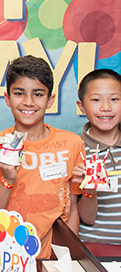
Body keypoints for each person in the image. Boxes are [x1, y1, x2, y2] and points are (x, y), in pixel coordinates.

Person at [0, 55, 84, 258]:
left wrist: (68, 258)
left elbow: (73, 207)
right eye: (19, 93)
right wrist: (7, 180)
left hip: (53, 258)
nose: (28, 102)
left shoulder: (72, 144)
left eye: (38, 94)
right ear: (7, 98)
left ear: (50, 100)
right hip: (6, 258)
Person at [75, 69, 121, 244]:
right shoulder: (76, 150)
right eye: (96, 100)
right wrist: (89, 191)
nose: (106, 107)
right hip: (94, 248)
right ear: (81, 106)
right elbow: (87, 219)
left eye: (114, 99)